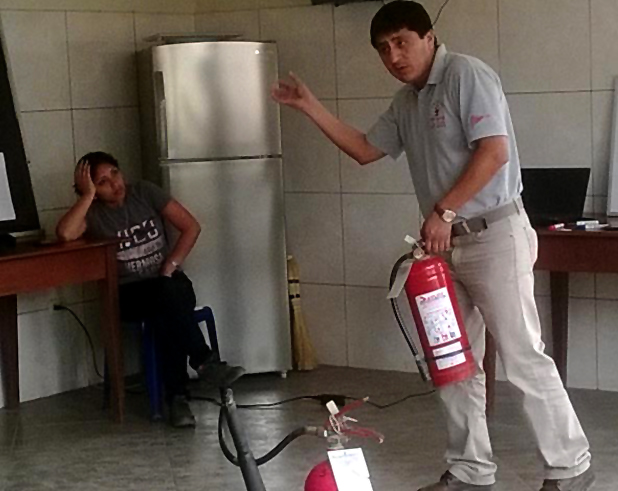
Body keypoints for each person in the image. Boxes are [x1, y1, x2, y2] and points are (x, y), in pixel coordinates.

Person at [271, 2, 594, 490]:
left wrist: (443, 211)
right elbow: (364, 150)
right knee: (452, 361)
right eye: (384, 49)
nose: (393, 56)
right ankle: (471, 470)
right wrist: (310, 106)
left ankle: (571, 467)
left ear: (429, 37)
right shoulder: (407, 102)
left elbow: (494, 151)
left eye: (401, 42)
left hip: (494, 235)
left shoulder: (466, 75)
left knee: (522, 356)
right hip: (444, 249)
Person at [56, 151, 244, 428]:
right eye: (103, 182)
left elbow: (191, 226)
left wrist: (171, 263)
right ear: (92, 189)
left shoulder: (144, 192)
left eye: (115, 173)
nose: (115, 183)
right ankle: (203, 363)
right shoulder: (92, 214)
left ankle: (180, 395)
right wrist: (87, 196)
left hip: (169, 283)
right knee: (167, 303)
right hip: (130, 293)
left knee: (168, 304)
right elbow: (65, 233)